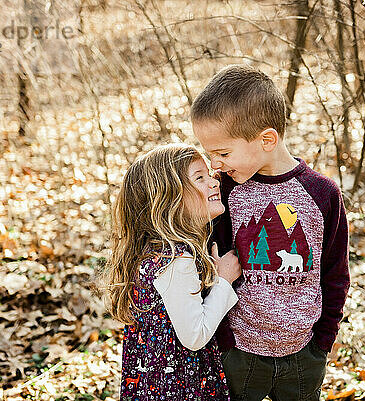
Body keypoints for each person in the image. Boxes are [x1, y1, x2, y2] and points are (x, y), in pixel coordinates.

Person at [191, 64, 350, 401]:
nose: (215, 165)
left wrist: (323, 341)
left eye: (222, 153)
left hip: (304, 354)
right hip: (242, 352)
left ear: (266, 140)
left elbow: (336, 273)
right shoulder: (227, 192)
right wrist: (225, 342)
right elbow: (214, 262)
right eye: (210, 154)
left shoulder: (323, 194)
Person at [97, 143, 242, 400]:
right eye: (200, 178)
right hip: (180, 386)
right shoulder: (175, 260)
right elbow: (195, 335)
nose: (214, 182)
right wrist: (224, 281)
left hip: (153, 383)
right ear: (169, 199)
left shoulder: (152, 252)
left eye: (209, 174)